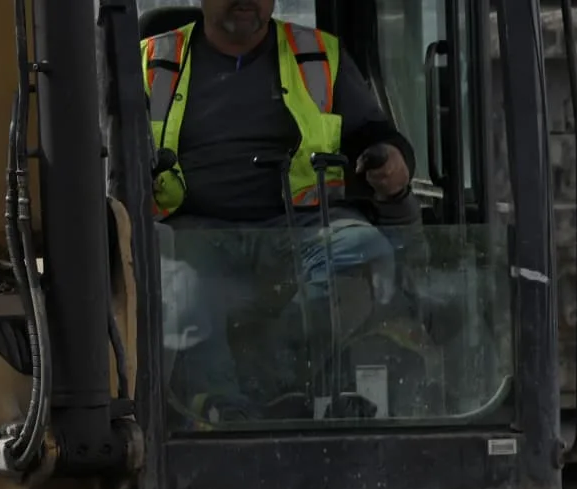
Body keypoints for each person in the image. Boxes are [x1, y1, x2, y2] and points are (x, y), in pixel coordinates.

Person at [142, 0, 420, 420]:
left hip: (305, 224)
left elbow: (374, 133)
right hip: (192, 230)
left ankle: (268, 389)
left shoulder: (317, 55)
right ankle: (218, 406)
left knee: (365, 251)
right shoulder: (150, 63)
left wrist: (391, 158)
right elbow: (103, 157)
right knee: (175, 283)